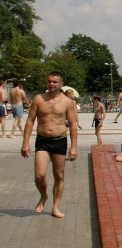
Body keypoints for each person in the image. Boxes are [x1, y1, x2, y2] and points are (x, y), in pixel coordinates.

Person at [20, 71, 78, 218]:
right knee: (39, 175)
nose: (51, 84)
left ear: (61, 84)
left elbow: (72, 125)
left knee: (59, 175)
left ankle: (55, 207)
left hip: (60, 141)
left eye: (55, 82)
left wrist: (73, 147)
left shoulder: (67, 102)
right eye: (49, 81)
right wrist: (25, 143)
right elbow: (30, 121)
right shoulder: (38, 99)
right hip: (42, 141)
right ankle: (44, 196)